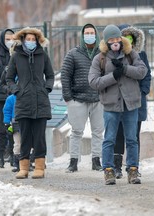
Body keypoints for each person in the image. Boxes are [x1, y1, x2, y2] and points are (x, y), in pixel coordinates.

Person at [89, 24, 147, 185]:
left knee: (132, 139)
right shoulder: (99, 58)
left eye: (117, 38)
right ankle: (108, 170)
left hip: (131, 104)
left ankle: (133, 169)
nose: (115, 42)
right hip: (111, 105)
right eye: (111, 39)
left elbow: (142, 72)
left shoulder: (131, 54)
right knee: (109, 139)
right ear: (106, 41)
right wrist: (113, 76)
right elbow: (94, 82)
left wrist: (125, 68)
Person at [6, 27, 54, 179]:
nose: (31, 42)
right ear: (23, 40)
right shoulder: (16, 56)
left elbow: (50, 75)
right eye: (28, 39)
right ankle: (24, 168)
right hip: (23, 101)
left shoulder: (43, 55)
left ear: (37, 41)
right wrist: (17, 90)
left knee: (39, 136)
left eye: (34, 39)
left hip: (41, 100)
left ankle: (39, 167)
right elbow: (9, 78)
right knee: (25, 136)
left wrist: (46, 88)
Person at [61, 23, 104, 172]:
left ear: (96, 35)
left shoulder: (102, 53)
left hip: (98, 99)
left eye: (92, 32)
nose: (89, 35)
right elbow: (65, 76)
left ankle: (96, 161)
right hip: (78, 99)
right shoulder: (73, 54)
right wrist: (68, 98)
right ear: (82, 35)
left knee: (98, 132)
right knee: (76, 132)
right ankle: (73, 162)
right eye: (87, 32)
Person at [112, 24, 151, 179]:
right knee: (118, 134)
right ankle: (116, 166)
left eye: (131, 37)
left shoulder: (141, 55)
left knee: (134, 136)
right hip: (119, 100)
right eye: (125, 37)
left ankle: (133, 166)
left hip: (136, 101)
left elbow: (146, 75)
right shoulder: (115, 56)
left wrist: (142, 92)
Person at [0, 28, 15, 168]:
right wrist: (9, 68)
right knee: (2, 127)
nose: (10, 41)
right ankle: (1, 156)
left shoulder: (17, 52)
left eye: (12, 38)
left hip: (14, 94)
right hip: (1, 95)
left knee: (14, 127)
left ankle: (13, 155)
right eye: (7, 39)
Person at [3, 94, 21, 172]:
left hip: (20, 122)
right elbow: (7, 111)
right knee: (17, 143)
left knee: (23, 143)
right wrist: (7, 123)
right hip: (16, 123)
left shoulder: (11, 98)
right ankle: (17, 163)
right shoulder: (11, 98)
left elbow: (7, 111)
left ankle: (24, 163)